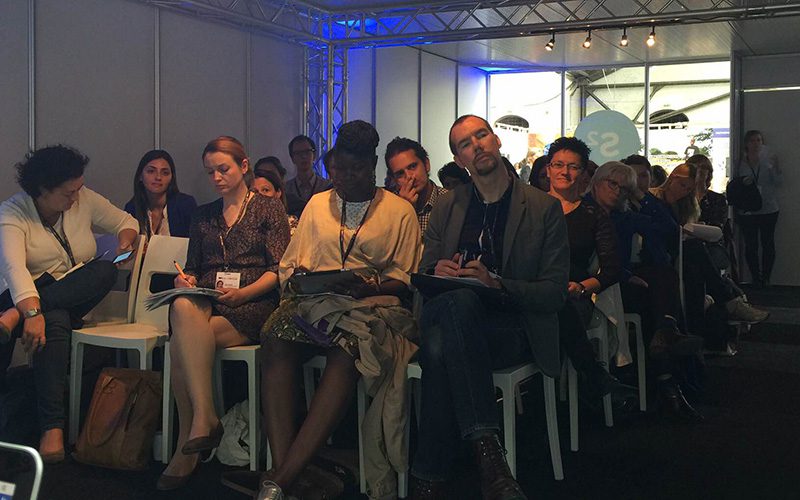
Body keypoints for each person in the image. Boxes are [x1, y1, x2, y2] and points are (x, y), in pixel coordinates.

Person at [222, 120, 421, 500]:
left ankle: (280, 480)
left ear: (372, 165)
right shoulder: (318, 204)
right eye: (339, 169)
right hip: (314, 302)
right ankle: (289, 474)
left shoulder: (399, 211)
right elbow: (293, 262)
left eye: (355, 169)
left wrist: (369, 287)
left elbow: (406, 278)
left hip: (369, 304)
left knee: (348, 351)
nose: (344, 177)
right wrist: (301, 276)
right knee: (274, 336)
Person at [409, 115, 569, 499]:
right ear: (459, 159)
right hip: (454, 313)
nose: (476, 145)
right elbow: (424, 272)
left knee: (439, 347)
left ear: (496, 141)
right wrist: (437, 270)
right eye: (465, 143)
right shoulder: (448, 206)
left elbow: (554, 293)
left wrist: (497, 283)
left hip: (511, 326)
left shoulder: (542, 207)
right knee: (459, 303)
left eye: (481, 135)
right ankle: (491, 461)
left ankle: (430, 472)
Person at [157, 136, 290, 491]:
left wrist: (243, 293)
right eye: (210, 172)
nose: (216, 177)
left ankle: (187, 444)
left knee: (179, 347)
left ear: (244, 166)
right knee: (182, 303)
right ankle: (205, 417)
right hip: (210, 300)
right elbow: (193, 267)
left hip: (253, 301)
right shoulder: (204, 215)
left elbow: (278, 268)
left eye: (223, 169)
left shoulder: (268, 208)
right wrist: (185, 280)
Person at [0, 145, 139, 463]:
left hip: (56, 296)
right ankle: (53, 430)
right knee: (57, 320)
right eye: (68, 193)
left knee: (104, 271)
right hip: (20, 296)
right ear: (42, 190)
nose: (76, 198)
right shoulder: (12, 212)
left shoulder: (83, 198)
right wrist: (32, 311)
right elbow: (14, 268)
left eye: (78, 189)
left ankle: (13, 316)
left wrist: (125, 241)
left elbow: (125, 220)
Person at [587, 162, 703, 421]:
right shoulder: (584, 211)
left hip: (620, 282)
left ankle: (666, 346)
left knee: (661, 284)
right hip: (599, 286)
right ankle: (669, 384)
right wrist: (626, 275)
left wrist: (641, 195)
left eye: (624, 188)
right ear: (596, 183)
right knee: (658, 294)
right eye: (612, 184)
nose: (617, 191)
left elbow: (669, 229)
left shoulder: (623, 215)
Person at [546, 138, 623, 402]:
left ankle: (553, 400)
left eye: (573, 167)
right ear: (548, 169)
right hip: (532, 289)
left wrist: (582, 287)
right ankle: (591, 374)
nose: (564, 172)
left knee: (559, 307)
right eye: (558, 165)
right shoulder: (529, 208)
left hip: (573, 294)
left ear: (583, 174)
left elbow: (612, 268)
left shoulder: (593, 214)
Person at [733, 130, 782, 287]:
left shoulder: (768, 160)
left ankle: (766, 278)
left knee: (768, 243)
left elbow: (779, 182)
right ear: (746, 144)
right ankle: (755, 278)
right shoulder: (740, 162)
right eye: (752, 140)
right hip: (748, 209)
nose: (756, 144)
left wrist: (775, 168)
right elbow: (735, 183)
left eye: (759, 140)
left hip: (769, 208)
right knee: (750, 245)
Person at [124, 149, 197, 238]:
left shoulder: (185, 205)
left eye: (165, 173)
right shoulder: (132, 208)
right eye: (151, 171)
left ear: (171, 178)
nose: (158, 177)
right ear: (140, 176)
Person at [385, 137, 448, 234]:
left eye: (412, 166)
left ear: (426, 164)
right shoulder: (387, 208)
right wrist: (404, 210)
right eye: (400, 174)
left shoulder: (449, 201)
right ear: (394, 179)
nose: (409, 176)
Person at [284, 135, 332, 214]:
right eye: (298, 153)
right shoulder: (286, 189)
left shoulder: (326, 187)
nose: (303, 156)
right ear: (292, 158)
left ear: (314, 155)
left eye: (307, 152)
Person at [253, 169, 299, 235]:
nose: (260, 195)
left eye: (265, 190)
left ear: (278, 193)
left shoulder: (291, 225)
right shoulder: (244, 226)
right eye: (254, 191)